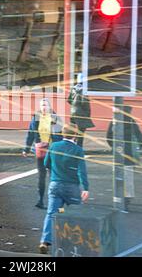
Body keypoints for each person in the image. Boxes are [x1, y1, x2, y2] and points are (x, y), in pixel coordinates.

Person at [39, 123, 89, 254]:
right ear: (75, 135)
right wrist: (85, 188)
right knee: (75, 214)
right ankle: (75, 244)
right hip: (71, 186)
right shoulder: (78, 150)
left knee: (51, 213)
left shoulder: (54, 146)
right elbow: (82, 171)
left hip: (55, 185)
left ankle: (45, 241)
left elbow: (46, 164)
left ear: (63, 134)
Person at [22, 98, 63, 209]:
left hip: (52, 150)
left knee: (52, 176)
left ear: (49, 107)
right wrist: (26, 149)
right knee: (41, 175)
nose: (44, 107)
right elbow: (30, 134)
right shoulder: (35, 118)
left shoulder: (55, 118)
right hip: (40, 150)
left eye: (45, 105)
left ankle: (55, 201)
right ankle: (40, 200)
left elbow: (60, 136)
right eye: (42, 105)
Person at [106, 105, 142, 211]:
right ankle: (126, 202)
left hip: (118, 155)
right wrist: (137, 148)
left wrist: (114, 147)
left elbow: (108, 137)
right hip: (129, 155)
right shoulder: (131, 122)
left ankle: (117, 199)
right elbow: (139, 138)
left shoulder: (114, 121)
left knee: (118, 177)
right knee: (128, 179)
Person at [67, 74, 95, 147]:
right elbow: (84, 103)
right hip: (81, 113)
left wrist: (74, 106)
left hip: (73, 112)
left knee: (72, 131)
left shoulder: (73, 88)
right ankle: (79, 148)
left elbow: (69, 100)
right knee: (81, 133)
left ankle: (71, 147)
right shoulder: (84, 90)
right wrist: (88, 114)